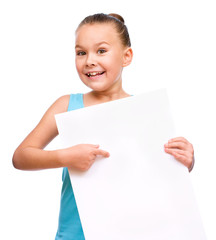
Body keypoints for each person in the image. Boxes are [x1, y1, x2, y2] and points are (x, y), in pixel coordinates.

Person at [12, 13, 195, 240]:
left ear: (126, 56)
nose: (89, 60)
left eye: (101, 51)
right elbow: (21, 157)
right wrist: (65, 157)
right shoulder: (67, 105)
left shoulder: (145, 112)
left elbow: (157, 177)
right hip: (74, 235)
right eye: (81, 53)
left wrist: (185, 162)